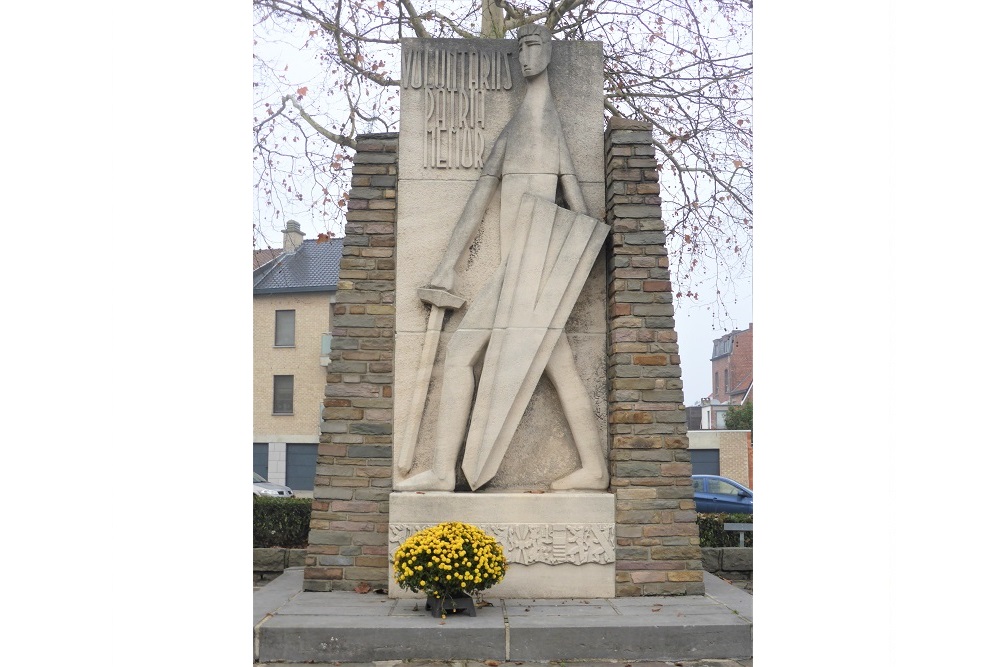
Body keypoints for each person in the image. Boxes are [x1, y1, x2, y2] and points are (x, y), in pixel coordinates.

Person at [397, 24, 608, 492]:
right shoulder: (519, 125)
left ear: (549, 54)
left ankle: (442, 472)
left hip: (531, 277)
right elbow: (479, 195)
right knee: (558, 363)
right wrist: (447, 262)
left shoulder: (544, 123)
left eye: (533, 47)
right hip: (517, 276)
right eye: (520, 50)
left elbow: (578, 207)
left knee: (463, 353)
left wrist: (576, 253)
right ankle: (591, 468)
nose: (525, 58)